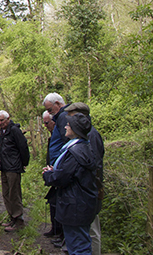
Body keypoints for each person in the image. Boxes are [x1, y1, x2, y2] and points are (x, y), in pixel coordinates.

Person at [43, 113, 98, 255]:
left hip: (75, 205)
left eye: (69, 124)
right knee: (79, 242)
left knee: (78, 245)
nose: (65, 126)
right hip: (80, 203)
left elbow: (62, 177)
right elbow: (70, 172)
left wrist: (49, 174)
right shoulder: (83, 147)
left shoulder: (75, 152)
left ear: (76, 129)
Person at [65, 102, 104, 255]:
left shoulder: (91, 135)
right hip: (85, 189)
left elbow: (94, 164)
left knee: (91, 229)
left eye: (71, 115)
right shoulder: (85, 135)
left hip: (88, 190)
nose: (68, 119)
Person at [0, 110, 30, 232]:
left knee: (14, 193)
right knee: (5, 194)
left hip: (13, 167)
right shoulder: (3, 131)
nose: (0, 123)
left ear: (8, 118)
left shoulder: (14, 130)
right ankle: (12, 217)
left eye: (2, 120)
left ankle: (18, 219)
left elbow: (23, 147)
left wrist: (24, 163)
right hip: (4, 167)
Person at [42, 93, 69, 243]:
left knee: (62, 204)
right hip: (56, 168)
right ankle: (58, 232)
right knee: (55, 202)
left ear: (58, 104)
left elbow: (66, 146)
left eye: (51, 110)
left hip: (62, 170)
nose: (51, 114)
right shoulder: (60, 119)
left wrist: (59, 167)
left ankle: (63, 236)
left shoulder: (64, 118)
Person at [42, 111, 63, 238]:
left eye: (46, 122)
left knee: (58, 202)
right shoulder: (52, 136)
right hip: (52, 170)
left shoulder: (61, 135)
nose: (45, 125)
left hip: (60, 172)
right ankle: (55, 229)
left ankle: (60, 232)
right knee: (52, 201)